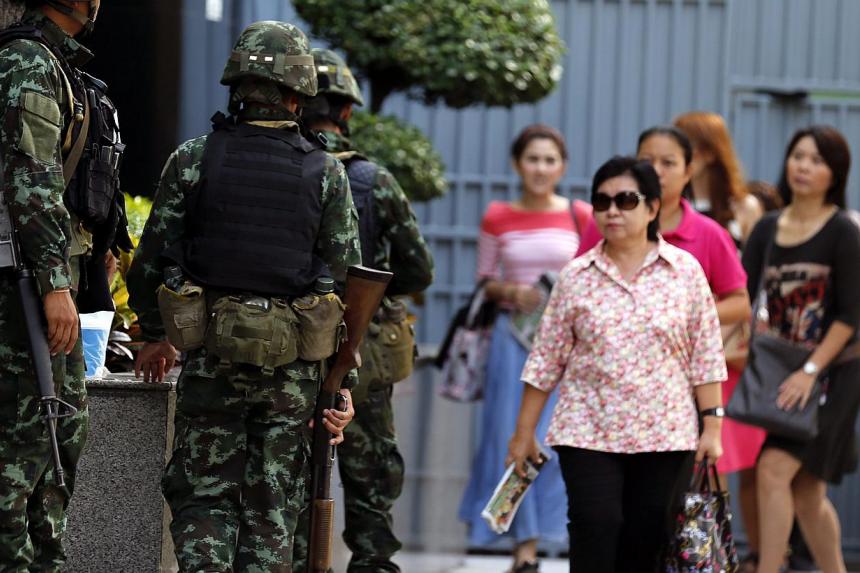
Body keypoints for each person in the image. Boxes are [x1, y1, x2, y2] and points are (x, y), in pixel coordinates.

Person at [126, 21, 360, 572]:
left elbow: (153, 259)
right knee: (272, 505)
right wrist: (341, 384)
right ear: (299, 91)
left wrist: (154, 336)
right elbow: (344, 283)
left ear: (236, 82)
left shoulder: (193, 158)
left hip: (211, 358)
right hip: (293, 371)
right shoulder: (326, 172)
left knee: (204, 496)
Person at [509, 156, 726, 572]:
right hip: (587, 430)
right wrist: (523, 434)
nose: (612, 210)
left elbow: (707, 355)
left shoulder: (685, 272)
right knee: (595, 524)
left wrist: (712, 426)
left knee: (648, 536)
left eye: (626, 200)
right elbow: (545, 361)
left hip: (666, 432)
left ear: (652, 208)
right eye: (602, 200)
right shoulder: (575, 277)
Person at [576, 126, 759, 563]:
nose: (656, 170)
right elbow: (576, 290)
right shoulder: (608, 222)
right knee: (601, 517)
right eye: (647, 159)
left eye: (668, 162)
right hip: (604, 407)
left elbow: (740, 302)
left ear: (689, 170)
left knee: (659, 519)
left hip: (678, 401)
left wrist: (679, 316)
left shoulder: (708, 235)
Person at [291, 48, 434, 573]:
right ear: (347, 112)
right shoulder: (375, 181)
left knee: (294, 477)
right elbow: (418, 271)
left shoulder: (286, 167)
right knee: (370, 474)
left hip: (291, 344)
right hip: (364, 349)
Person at [0, 0, 131, 569]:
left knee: (59, 443)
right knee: (24, 448)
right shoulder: (28, 60)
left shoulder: (63, 66)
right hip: (22, 289)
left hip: (47, 282)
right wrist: (56, 285)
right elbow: (33, 179)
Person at [459, 124, 585, 573]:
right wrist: (513, 290)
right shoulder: (497, 215)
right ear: (517, 164)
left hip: (567, 348)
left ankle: (558, 534)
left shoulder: (580, 215)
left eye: (550, 159)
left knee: (558, 441)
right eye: (532, 158)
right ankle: (524, 547)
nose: (540, 168)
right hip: (511, 344)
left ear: (562, 167)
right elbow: (484, 282)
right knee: (510, 441)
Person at [742, 125, 860, 573]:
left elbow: (851, 315)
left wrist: (811, 370)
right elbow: (742, 294)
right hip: (785, 370)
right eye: (798, 156)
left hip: (837, 371)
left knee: (773, 470)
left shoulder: (843, 231)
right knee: (807, 491)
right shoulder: (768, 228)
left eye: (817, 160)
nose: (804, 166)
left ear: (836, 173)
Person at [673, 111, 763, 244]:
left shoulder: (744, 206)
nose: (676, 154)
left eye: (685, 146)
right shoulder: (669, 204)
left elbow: (753, 261)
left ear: (711, 152)